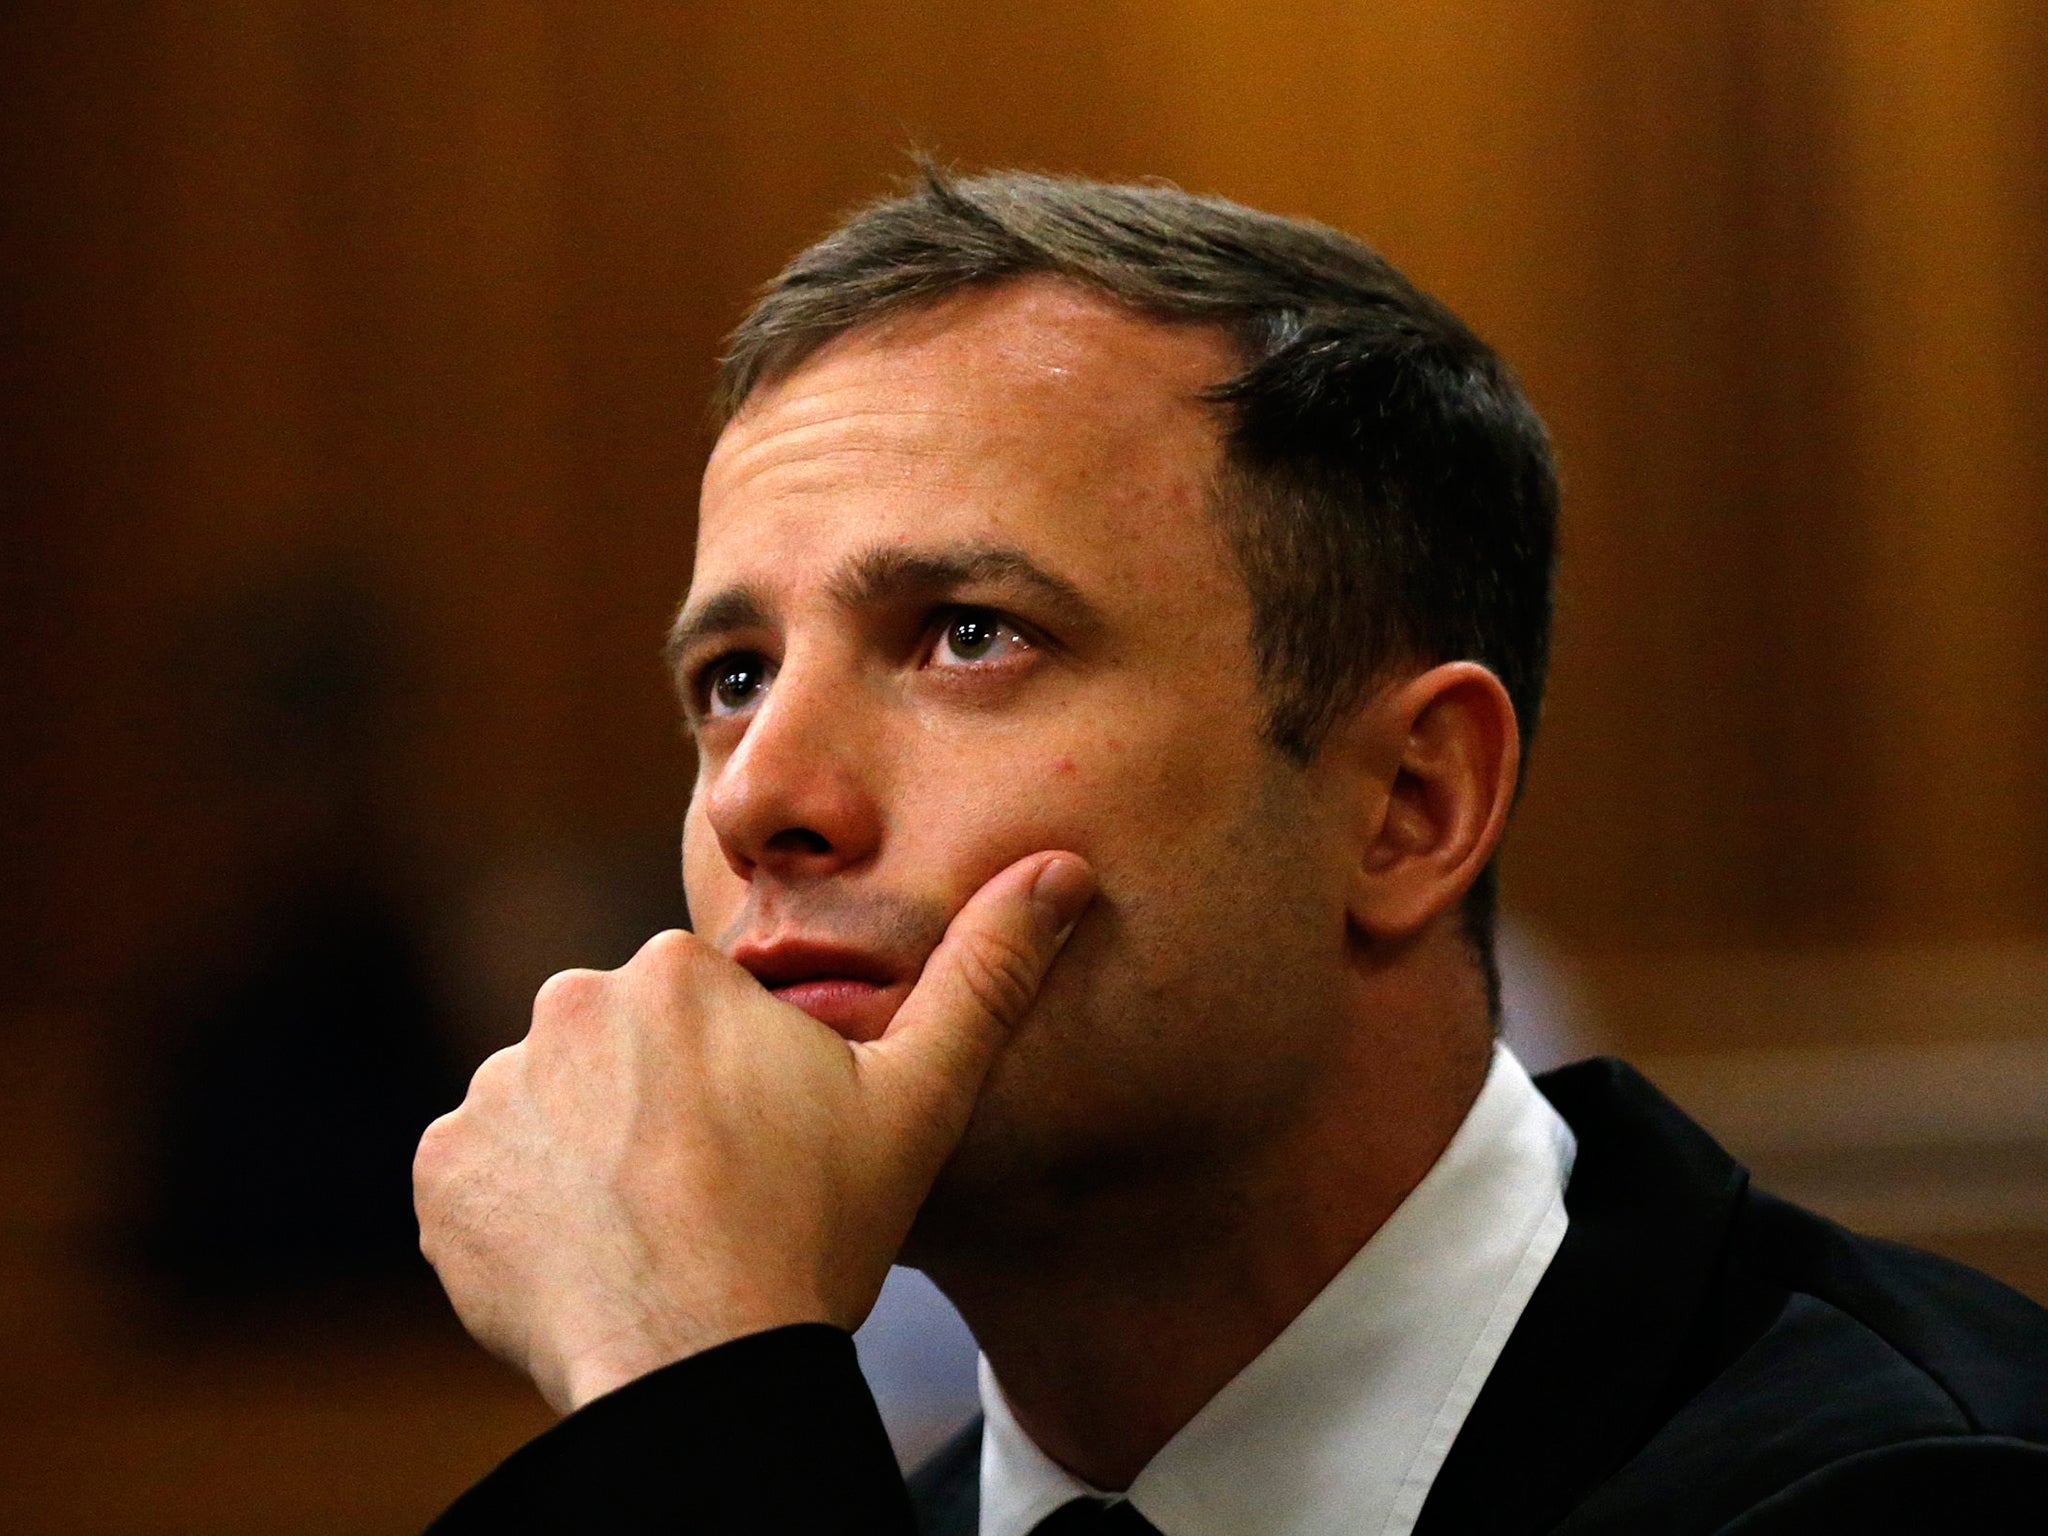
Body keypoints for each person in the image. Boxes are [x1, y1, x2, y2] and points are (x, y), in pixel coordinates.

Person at [412, 169, 2048, 1534]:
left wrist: (686, 1393)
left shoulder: (1915, 1484)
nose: (762, 794)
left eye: (970, 634)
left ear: (1407, 804)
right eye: (734, 678)